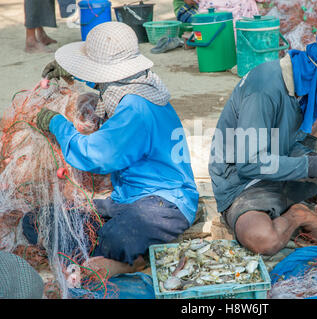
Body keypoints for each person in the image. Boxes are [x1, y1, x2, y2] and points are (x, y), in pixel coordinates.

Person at [32, 22, 199, 277]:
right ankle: (110, 253)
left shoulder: (135, 107)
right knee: (39, 220)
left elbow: (94, 155)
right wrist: (72, 72)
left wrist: (57, 124)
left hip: (165, 202)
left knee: (115, 239)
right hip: (125, 198)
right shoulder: (137, 85)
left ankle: (130, 262)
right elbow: (104, 80)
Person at [208, 20, 317, 256]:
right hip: (245, 184)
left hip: (285, 161)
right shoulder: (265, 86)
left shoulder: (306, 76)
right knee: (263, 240)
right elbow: (248, 164)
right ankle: (299, 214)